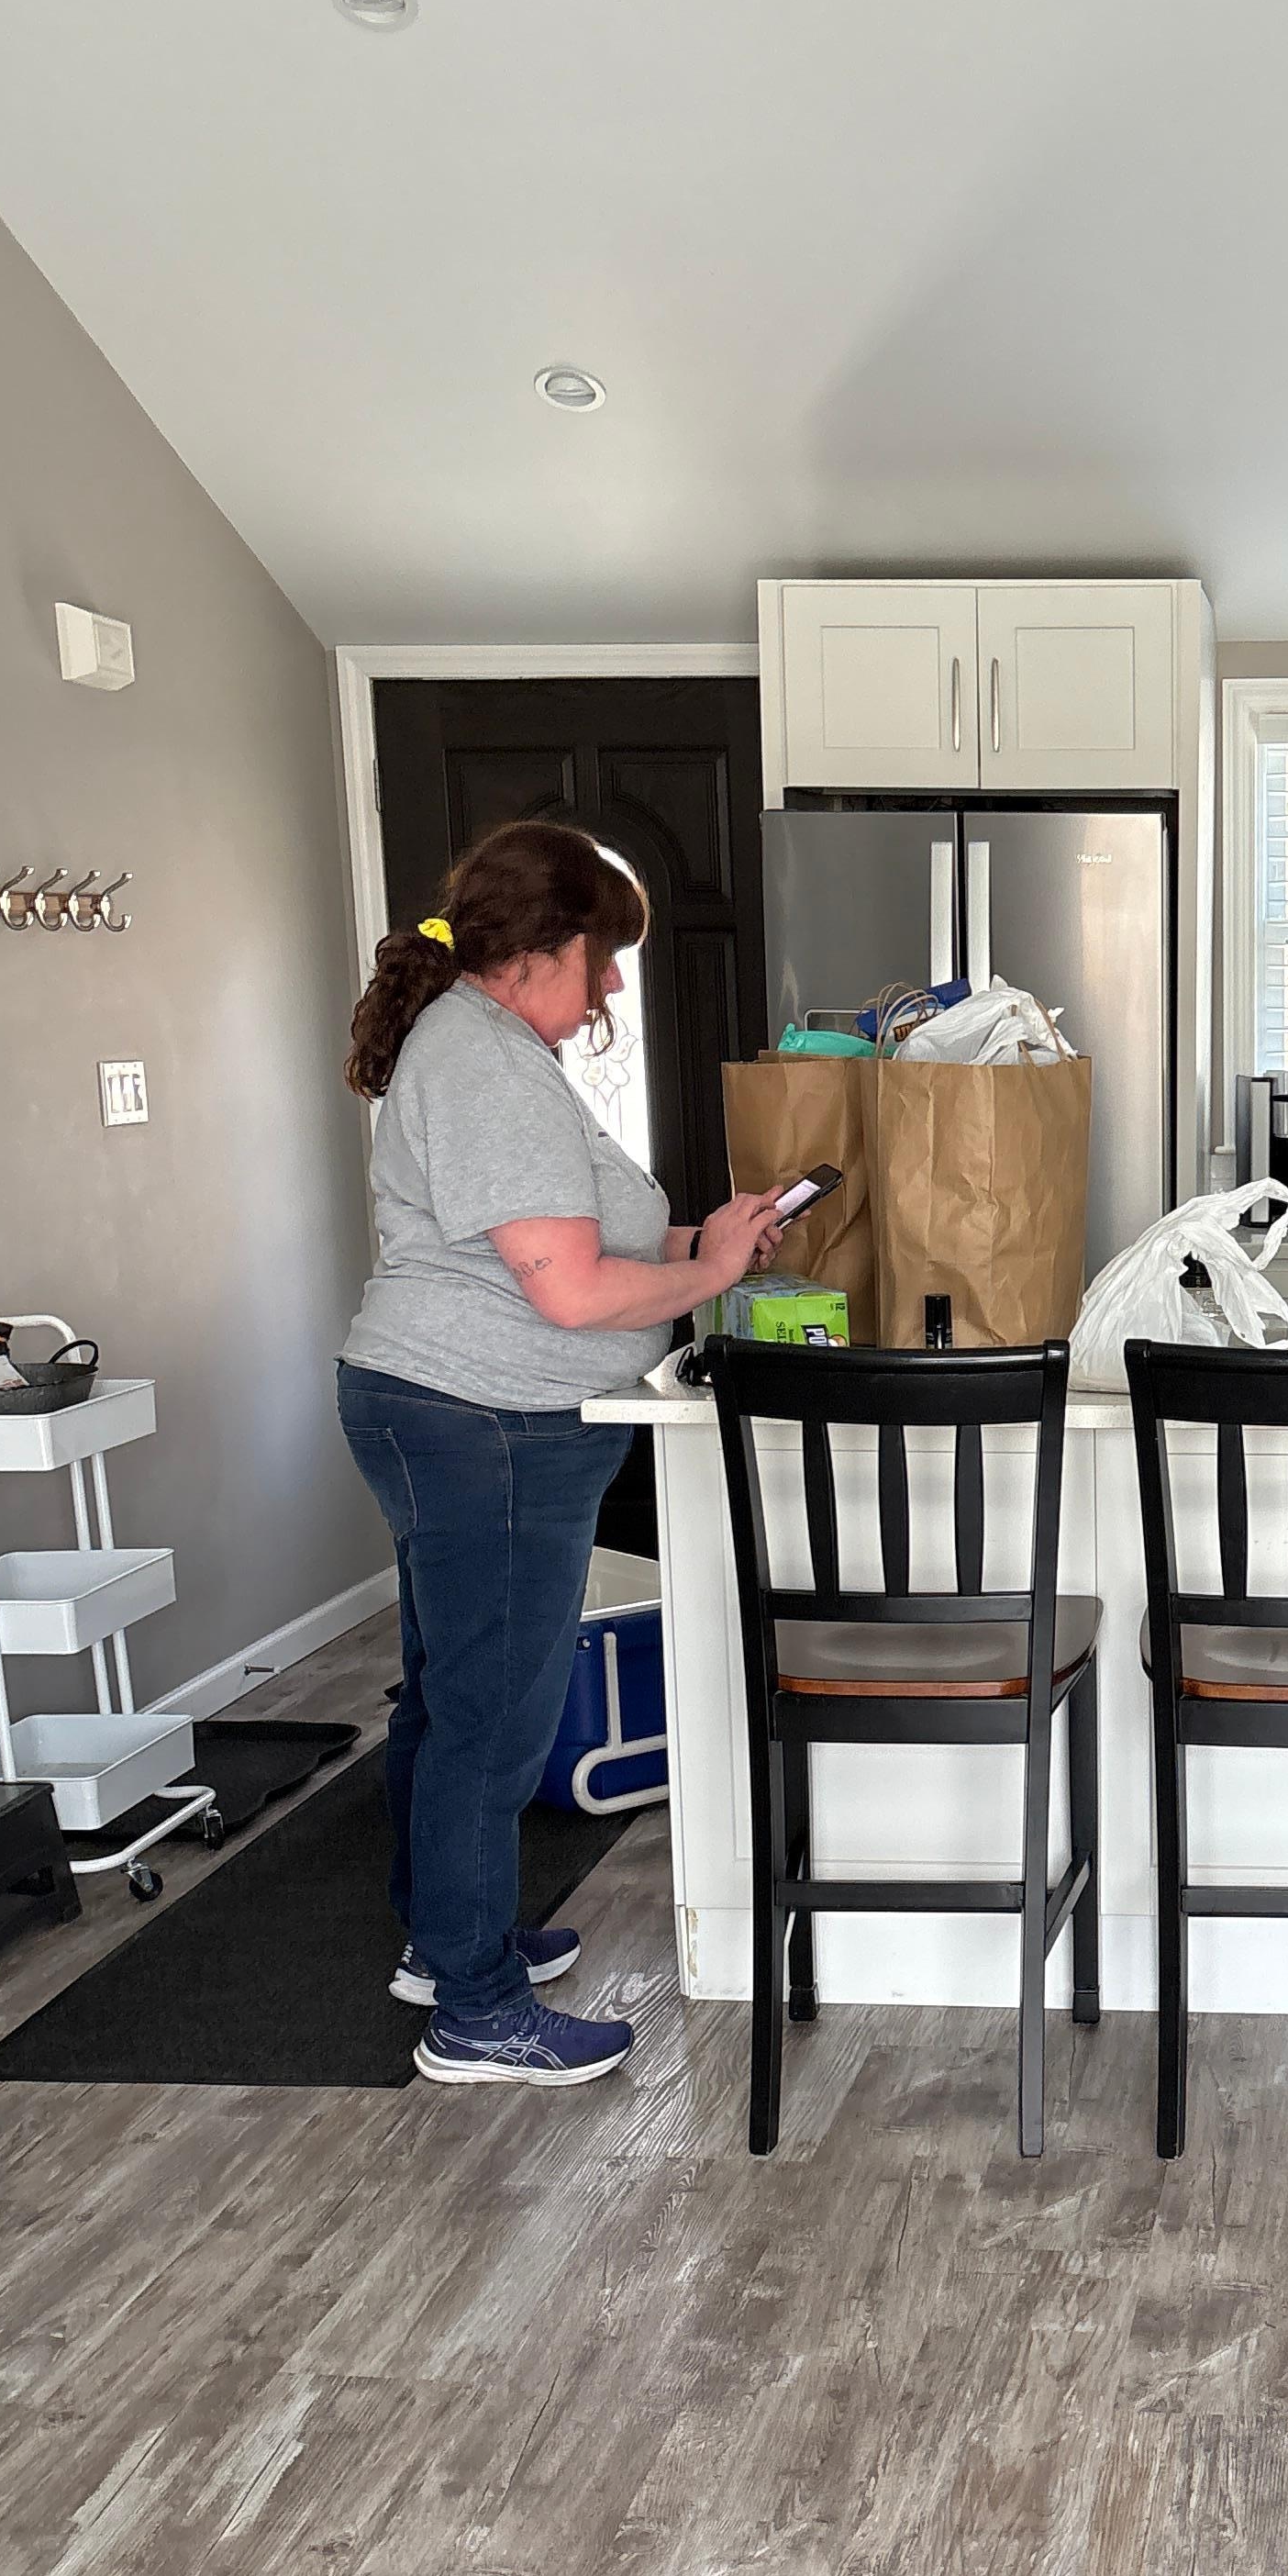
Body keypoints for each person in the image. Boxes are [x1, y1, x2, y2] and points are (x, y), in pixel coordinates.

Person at [338, 819, 784, 2088]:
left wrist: (713, 1235)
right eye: (604, 958)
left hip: (456, 1411)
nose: (613, 987)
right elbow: (574, 1294)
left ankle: (448, 1943)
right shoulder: (477, 1063)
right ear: (543, 947)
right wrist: (707, 1273)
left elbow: (568, 1243)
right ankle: (474, 2010)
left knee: (449, 1697)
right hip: (477, 1422)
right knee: (492, 1715)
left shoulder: (486, 1052)